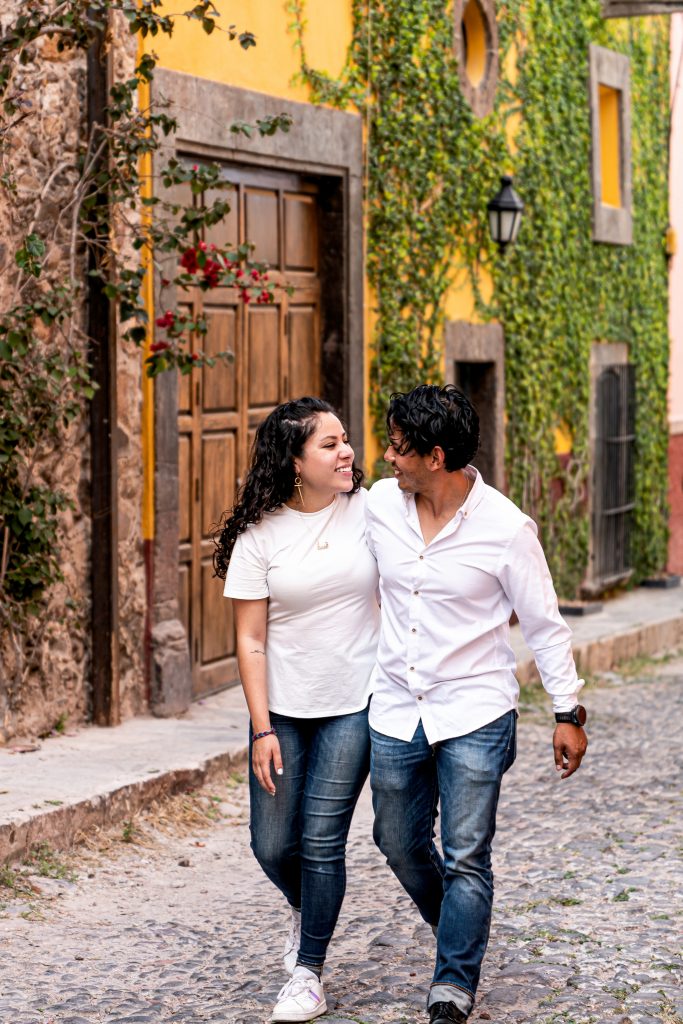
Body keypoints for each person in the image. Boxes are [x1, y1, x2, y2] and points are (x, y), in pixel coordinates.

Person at [365, 384, 588, 1024]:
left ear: (435, 457)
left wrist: (567, 712)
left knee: (467, 854)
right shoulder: (380, 505)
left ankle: (453, 985)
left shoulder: (506, 529)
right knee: (397, 841)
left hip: (476, 710)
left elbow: (544, 625)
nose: (388, 456)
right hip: (396, 705)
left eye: (399, 447)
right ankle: (460, 927)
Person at [214, 397, 379, 1024]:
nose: (347, 452)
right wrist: (261, 728)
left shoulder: (371, 510)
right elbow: (250, 640)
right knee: (271, 844)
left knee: (320, 840)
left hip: (355, 702)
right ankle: (307, 909)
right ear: (294, 461)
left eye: (345, 440)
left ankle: (308, 973)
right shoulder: (259, 536)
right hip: (282, 709)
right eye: (329, 444)